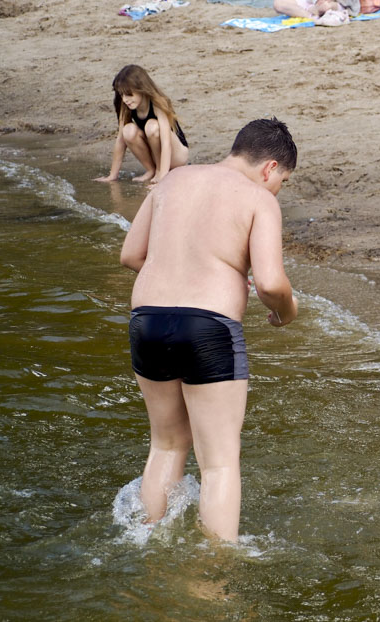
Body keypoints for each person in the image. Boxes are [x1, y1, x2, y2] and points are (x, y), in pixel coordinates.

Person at [119, 118, 299, 542]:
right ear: (270, 168)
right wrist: (285, 312)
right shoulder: (258, 198)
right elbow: (271, 284)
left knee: (166, 445)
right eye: (283, 182)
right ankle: (216, 569)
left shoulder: (171, 181)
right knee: (218, 462)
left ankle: (146, 542)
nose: (278, 189)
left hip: (147, 321)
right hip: (208, 327)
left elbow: (130, 255)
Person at [95, 65, 189, 185]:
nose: (125, 100)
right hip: (156, 153)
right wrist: (112, 176)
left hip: (177, 155)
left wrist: (162, 178)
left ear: (141, 89)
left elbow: (166, 143)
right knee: (127, 131)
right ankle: (151, 170)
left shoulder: (157, 103)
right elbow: (120, 140)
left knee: (152, 126)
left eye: (129, 94)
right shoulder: (126, 106)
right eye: (122, 95)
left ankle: (159, 171)